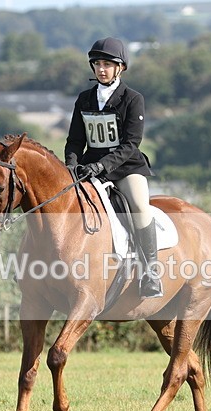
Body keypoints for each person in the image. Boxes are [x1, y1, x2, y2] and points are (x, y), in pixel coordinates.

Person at [64, 37, 162, 299]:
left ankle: (151, 272)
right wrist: (72, 165)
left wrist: (102, 165)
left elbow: (131, 143)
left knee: (140, 207)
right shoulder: (84, 99)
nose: (101, 69)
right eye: (97, 64)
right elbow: (75, 140)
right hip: (89, 168)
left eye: (108, 64)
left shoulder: (132, 99)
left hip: (125, 167)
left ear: (120, 68)